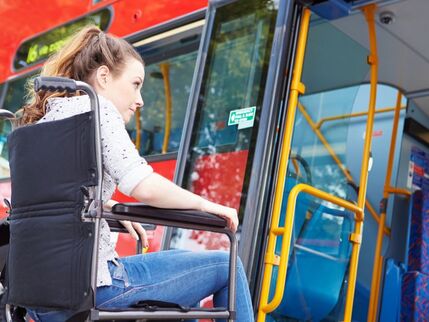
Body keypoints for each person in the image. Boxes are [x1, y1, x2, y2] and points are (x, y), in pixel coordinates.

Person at [19, 26, 254, 322]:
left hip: (41, 298)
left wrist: (111, 208)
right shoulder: (98, 109)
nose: (140, 99)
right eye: (135, 84)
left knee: (179, 263)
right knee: (227, 264)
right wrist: (208, 205)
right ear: (104, 77)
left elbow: (55, 201)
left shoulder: (44, 123)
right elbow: (142, 185)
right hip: (96, 287)